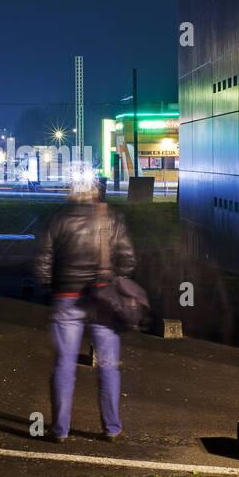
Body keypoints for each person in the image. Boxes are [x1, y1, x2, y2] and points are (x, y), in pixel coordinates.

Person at [33, 175, 136, 443]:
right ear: (95, 191)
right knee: (108, 366)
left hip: (66, 298)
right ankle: (112, 428)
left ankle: (60, 430)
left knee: (64, 365)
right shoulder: (110, 216)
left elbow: (42, 262)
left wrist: (52, 288)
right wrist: (112, 278)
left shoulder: (56, 218)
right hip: (102, 300)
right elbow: (128, 260)